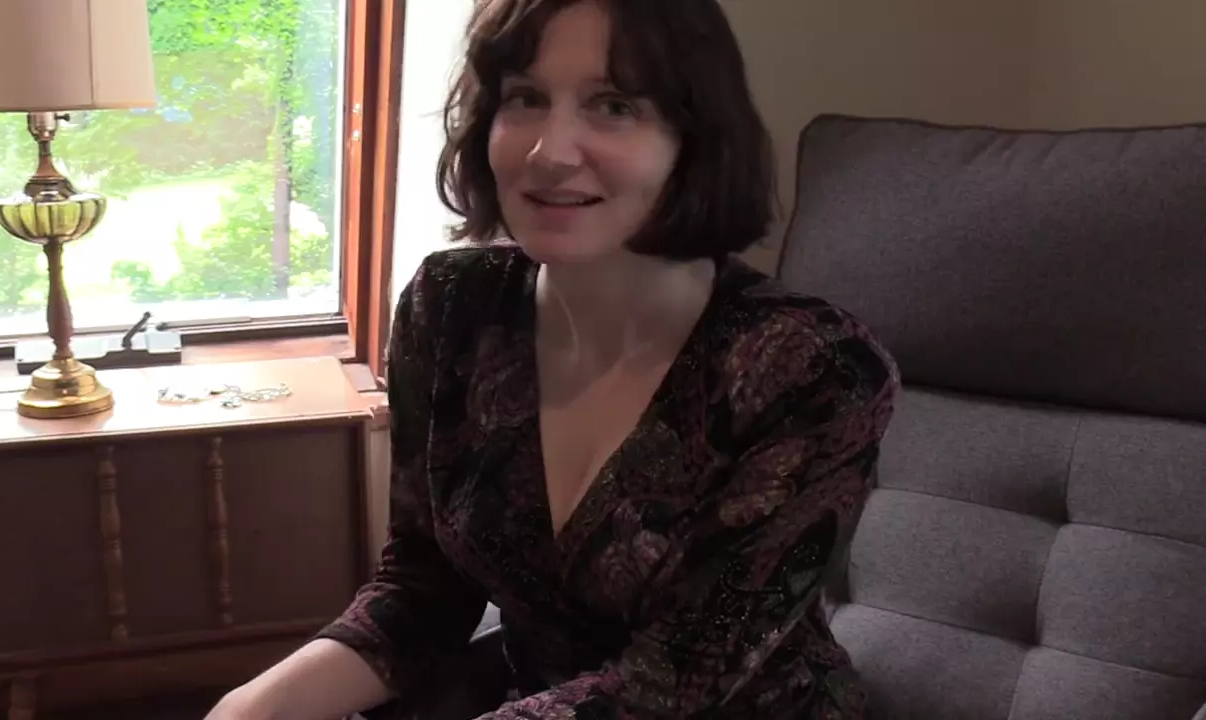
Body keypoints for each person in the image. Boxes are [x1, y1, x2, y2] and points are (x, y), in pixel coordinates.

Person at [207, 0, 899, 717]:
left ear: (693, 138)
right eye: (525, 98)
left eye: (614, 105)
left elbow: (672, 684)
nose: (549, 152)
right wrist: (249, 707)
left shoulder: (816, 369)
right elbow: (421, 592)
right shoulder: (449, 308)